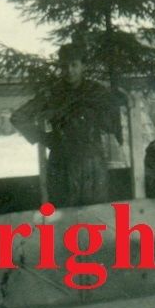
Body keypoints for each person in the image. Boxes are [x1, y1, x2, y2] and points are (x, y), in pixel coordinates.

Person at [38, 43, 123, 207]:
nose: (69, 70)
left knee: (96, 213)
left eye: (74, 65)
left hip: (91, 161)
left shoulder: (97, 91)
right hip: (62, 161)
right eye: (64, 66)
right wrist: (44, 138)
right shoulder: (53, 93)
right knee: (63, 212)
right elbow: (24, 118)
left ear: (83, 66)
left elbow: (110, 125)